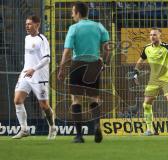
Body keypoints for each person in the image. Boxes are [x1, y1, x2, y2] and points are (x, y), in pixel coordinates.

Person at [58, 2, 110, 143]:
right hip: (94, 64)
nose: (71, 15)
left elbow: (67, 51)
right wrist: (104, 63)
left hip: (78, 65)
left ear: (78, 13)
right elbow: (107, 49)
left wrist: (62, 68)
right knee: (94, 99)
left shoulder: (73, 28)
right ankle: (97, 126)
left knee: (76, 99)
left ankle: (79, 135)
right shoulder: (99, 26)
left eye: (72, 12)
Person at [12, 15, 56, 140]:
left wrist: (34, 69)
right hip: (26, 74)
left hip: (39, 76)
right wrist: (27, 70)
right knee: (17, 100)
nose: (27, 26)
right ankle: (24, 129)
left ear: (37, 25)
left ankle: (52, 127)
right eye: (26, 24)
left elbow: (47, 58)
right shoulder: (26, 38)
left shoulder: (42, 39)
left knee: (44, 106)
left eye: (30, 24)